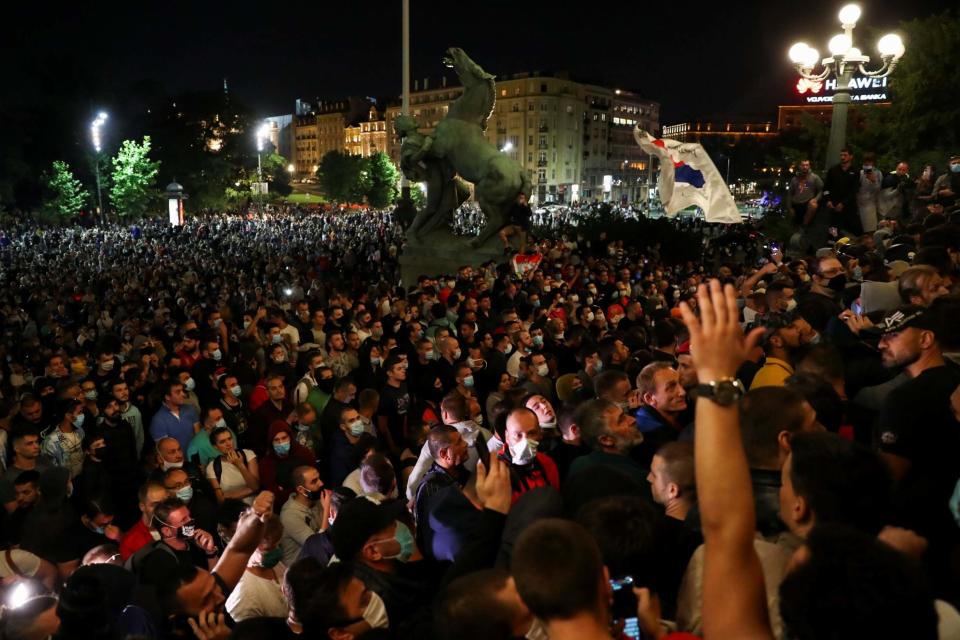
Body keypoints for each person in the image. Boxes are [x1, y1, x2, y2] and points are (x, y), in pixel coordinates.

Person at [567, 399, 646, 486]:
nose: (633, 419)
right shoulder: (636, 479)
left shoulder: (578, 464)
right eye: (621, 420)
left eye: (625, 415)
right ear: (606, 440)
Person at [225, 516, 289, 621]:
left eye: (277, 545)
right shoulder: (244, 595)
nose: (276, 552)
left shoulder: (273, 565)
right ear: (249, 547)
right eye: (270, 548)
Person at [497, 407, 560, 503]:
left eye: (531, 433)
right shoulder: (497, 474)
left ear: (540, 434)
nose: (525, 441)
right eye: (518, 435)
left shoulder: (547, 463)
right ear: (507, 437)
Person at [632, 362, 687, 469]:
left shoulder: (681, 414)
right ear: (649, 398)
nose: (682, 392)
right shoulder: (650, 439)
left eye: (680, 383)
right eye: (671, 387)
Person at [279, 465, 329, 566]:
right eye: (314, 481)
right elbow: (318, 546)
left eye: (319, 478)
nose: (321, 483)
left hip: (317, 561)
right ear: (301, 490)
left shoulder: (317, 501)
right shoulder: (290, 515)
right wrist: (327, 509)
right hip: (299, 570)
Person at [206, 427, 260, 505]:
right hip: (233, 510)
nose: (228, 444)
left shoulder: (248, 454)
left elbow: (255, 486)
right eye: (222, 442)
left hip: (254, 505)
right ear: (215, 446)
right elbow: (221, 500)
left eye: (229, 439)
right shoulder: (212, 467)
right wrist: (250, 490)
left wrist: (240, 465)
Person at [120, 481, 168, 561]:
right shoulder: (129, 542)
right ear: (142, 506)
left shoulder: (175, 524)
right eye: (155, 505)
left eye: (165, 502)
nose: (162, 508)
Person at [149, 379, 201, 452]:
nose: (183, 394)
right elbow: (165, 451)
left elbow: (198, 436)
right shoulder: (158, 420)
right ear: (167, 397)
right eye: (178, 392)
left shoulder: (190, 409)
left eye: (182, 391)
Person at [824, 147, 862, 235]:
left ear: (851, 157)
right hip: (834, 206)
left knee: (851, 231)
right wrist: (828, 200)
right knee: (833, 230)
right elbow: (826, 188)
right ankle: (832, 243)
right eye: (841, 155)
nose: (842, 157)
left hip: (848, 207)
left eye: (845, 155)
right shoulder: (833, 170)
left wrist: (843, 203)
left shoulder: (856, 171)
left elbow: (854, 190)